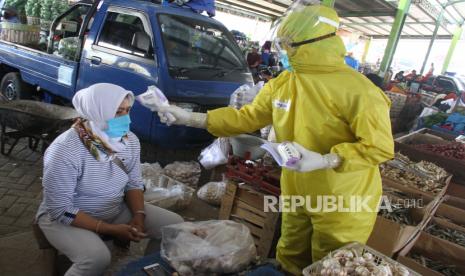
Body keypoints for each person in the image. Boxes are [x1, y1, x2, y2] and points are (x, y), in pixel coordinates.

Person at [150, 2, 394, 274]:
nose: (284, 53)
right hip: (297, 188)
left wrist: (328, 159)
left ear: (314, 44)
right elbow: (247, 117)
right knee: (290, 253)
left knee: (332, 263)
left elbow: (379, 147)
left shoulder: (360, 91)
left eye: (289, 45)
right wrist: (190, 117)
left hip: (343, 196)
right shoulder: (285, 82)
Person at [35, 83, 183, 276]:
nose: (126, 119)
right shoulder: (64, 151)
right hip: (65, 218)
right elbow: (61, 209)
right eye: (117, 111)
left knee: (174, 226)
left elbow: (133, 183)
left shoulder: (129, 141)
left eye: (128, 110)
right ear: (96, 111)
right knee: (96, 258)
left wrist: (139, 215)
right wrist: (110, 229)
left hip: (112, 207)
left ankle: (147, 271)